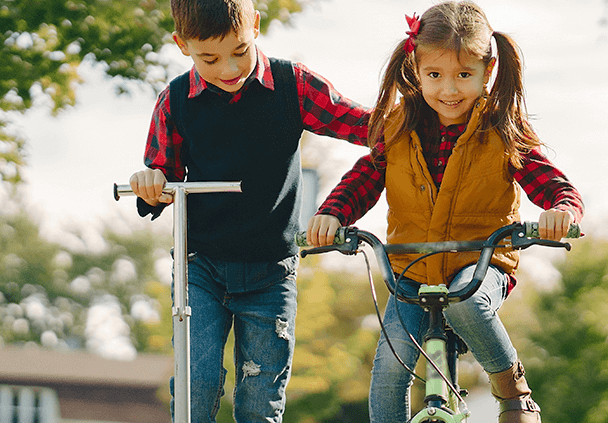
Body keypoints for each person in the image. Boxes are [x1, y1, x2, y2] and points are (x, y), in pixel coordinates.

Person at [306, 2, 582, 422]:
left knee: (467, 302)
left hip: (479, 263)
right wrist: (333, 214)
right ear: (416, 70)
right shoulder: (397, 128)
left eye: (463, 76)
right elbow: (362, 179)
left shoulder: (502, 128)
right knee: (387, 375)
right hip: (411, 269)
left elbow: (550, 182)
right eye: (434, 75)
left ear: (486, 72)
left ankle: (513, 391)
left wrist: (562, 209)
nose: (449, 89)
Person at [125, 0, 370, 421]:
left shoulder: (293, 85)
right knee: (195, 387)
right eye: (209, 58)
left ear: (255, 26)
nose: (228, 69)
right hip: (200, 268)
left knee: (261, 399)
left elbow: (362, 124)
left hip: (270, 272)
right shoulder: (176, 101)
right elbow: (160, 178)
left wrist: (420, 120)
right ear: (182, 45)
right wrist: (150, 183)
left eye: (239, 50)